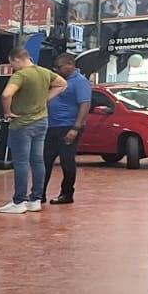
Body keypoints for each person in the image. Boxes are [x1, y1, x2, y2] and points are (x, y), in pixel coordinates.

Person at [0, 46, 65, 213]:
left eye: (12, 64)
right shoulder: (44, 72)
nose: (13, 68)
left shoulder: (20, 75)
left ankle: (19, 201)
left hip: (22, 123)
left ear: (17, 59)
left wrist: (7, 112)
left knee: (21, 162)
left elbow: (6, 94)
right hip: (42, 121)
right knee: (38, 161)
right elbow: (62, 84)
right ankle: (35, 199)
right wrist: (45, 99)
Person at [42, 52, 91, 204]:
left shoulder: (80, 82)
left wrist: (75, 128)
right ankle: (39, 193)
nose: (57, 70)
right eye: (55, 68)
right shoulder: (58, 81)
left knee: (67, 161)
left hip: (68, 126)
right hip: (51, 126)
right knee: (44, 160)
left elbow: (85, 105)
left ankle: (67, 194)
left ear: (70, 64)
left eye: (60, 67)